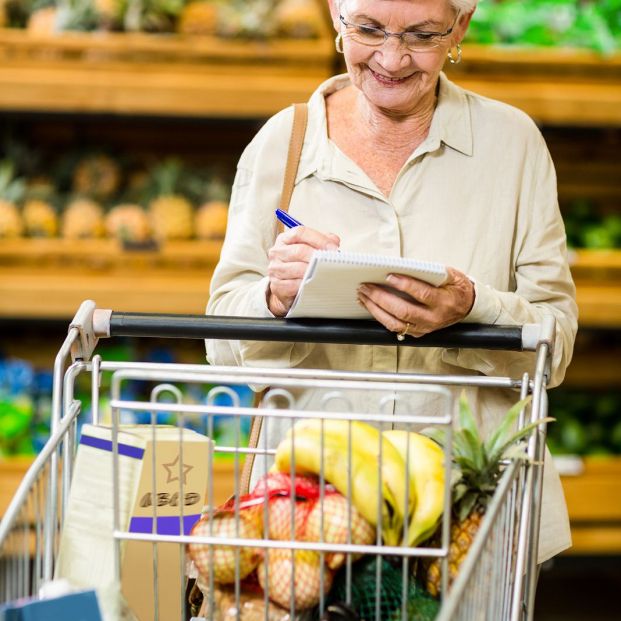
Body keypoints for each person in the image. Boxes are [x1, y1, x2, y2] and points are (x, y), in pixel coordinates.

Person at [206, 0, 578, 565]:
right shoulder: (283, 143)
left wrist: (474, 308)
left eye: (422, 34)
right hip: (308, 517)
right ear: (336, 13)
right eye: (369, 29)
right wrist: (275, 298)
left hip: (469, 519)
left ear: (461, 25)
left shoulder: (513, 145)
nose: (392, 57)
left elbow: (557, 344)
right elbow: (220, 341)